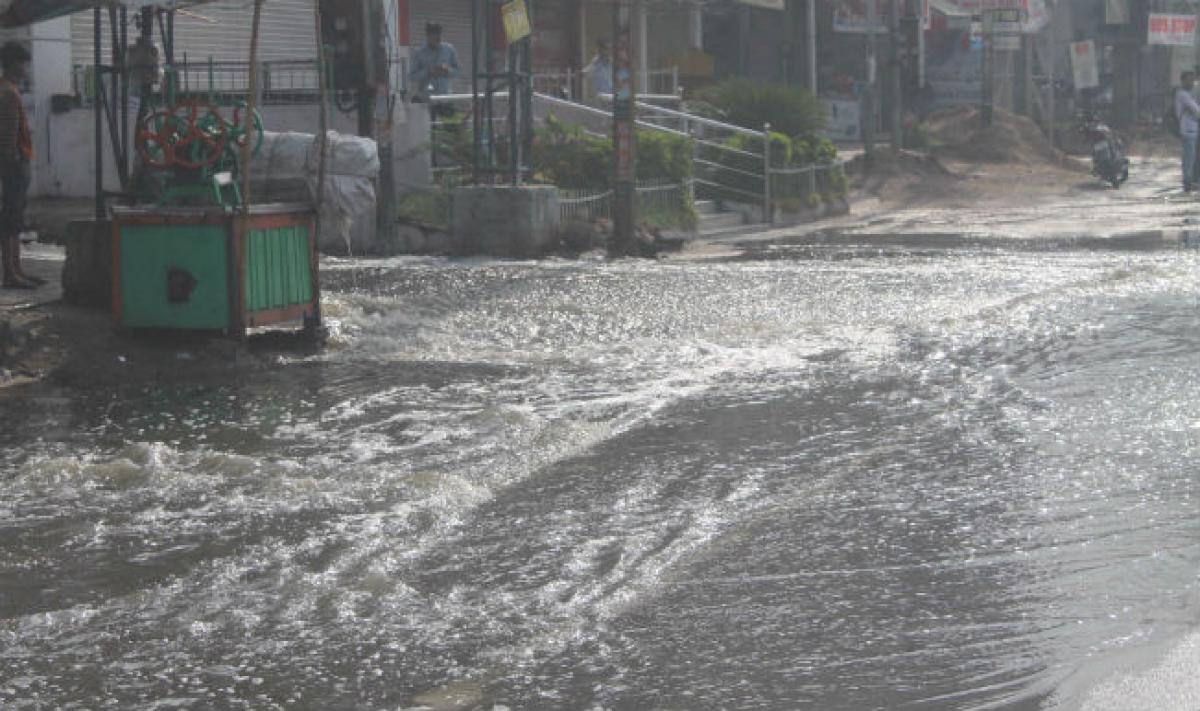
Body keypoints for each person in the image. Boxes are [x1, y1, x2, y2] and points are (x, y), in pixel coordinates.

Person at [0, 41, 39, 289]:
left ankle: (16, 269)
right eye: (24, 63)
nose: (27, 68)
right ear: (14, 64)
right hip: (13, 163)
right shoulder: (8, 93)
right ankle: (11, 273)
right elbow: (8, 134)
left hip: (15, 162)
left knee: (15, 218)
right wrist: (12, 161)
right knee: (12, 218)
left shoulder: (9, 90)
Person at [409, 23, 460, 101]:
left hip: (445, 98)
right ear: (428, 36)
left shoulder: (449, 50)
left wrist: (447, 69)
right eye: (434, 35)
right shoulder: (419, 53)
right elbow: (412, 76)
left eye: (439, 35)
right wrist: (427, 72)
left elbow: (458, 72)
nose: (437, 38)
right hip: (426, 98)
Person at [1176, 71, 1200, 192]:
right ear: (1183, 81)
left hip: (1194, 129)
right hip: (1188, 130)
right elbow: (1196, 110)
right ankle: (1187, 181)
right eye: (1188, 80)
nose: (1191, 82)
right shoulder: (1182, 94)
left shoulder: (1191, 94)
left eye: (1192, 80)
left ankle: (1194, 180)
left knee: (1195, 156)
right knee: (1189, 157)